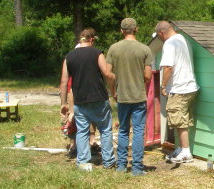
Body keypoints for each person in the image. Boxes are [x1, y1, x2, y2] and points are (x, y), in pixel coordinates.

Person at [59, 27, 116, 171]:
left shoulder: (69, 57)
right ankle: (108, 162)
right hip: (99, 98)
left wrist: (64, 103)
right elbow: (107, 74)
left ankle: (83, 162)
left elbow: (64, 82)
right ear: (92, 39)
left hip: (80, 100)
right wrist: (113, 87)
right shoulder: (97, 53)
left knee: (82, 131)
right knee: (105, 130)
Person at [106, 18, 153, 176]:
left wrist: (113, 91)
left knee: (123, 130)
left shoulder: (113, 49)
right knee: (139, 131)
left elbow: (108, 74)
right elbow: (148, 75)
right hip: (138, 96)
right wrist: (140, 83)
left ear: (121, 31)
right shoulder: (145, 49)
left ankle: (121, 166)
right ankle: (137, 168)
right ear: (136, 29)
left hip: (122, 96)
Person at [155, 21, 199, 163]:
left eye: (159, 36)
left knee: (179, 121)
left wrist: (163, 86)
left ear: (162, 33)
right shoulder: (183, 39)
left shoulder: (170, 43)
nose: (160, 39)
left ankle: (186, 152)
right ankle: (180, 149)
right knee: (182, 119)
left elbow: (168, 67)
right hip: (190, 87)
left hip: (179, 88)